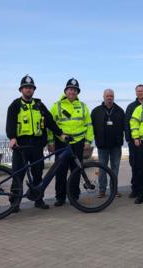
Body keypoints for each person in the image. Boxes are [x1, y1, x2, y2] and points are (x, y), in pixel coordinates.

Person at [6, 74, 64, 212]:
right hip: (20, 145)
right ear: (21, 90)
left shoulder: (39, 105)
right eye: (25, 88)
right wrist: (12, 137)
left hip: (37, 145)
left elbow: (50, 121)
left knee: (38, 174)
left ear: (34, 90)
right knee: (18, 175)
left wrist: (60, 133)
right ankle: (15, 203)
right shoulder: (15, 105)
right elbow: (10, 123)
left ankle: (38, 199)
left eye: (30, 88)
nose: (28, 90)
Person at [47, 78, 94, 207]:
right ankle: (60, 197)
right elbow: (50, 125)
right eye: (70, 89)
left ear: (77, 92)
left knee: (76, 170)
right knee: (60, 171)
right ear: (66, 91)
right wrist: (50, 142)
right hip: (62, 143)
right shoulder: (57, 106)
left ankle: (74, 196)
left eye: (75, 90)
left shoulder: (83, 106)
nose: (72, 92)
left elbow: (89, 125)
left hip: (78, 142)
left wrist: (88, 141)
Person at [91, 89, 125, 198]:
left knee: (115, 169)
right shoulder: (96, 111)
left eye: (111, 96)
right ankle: (102, 190)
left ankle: (114, 190)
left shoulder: (120, 111)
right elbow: (91, 128)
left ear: (114, 97)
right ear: (103, 96)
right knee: (102, 169)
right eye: (107, 96)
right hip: (102, 145)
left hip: (116, 145)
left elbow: (125, 127)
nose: (109, 98)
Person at [124, 84, 143, 198]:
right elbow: (127, 123)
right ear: (136, 93)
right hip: (134, 141)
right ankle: (135, 189)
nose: (140, 93)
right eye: (138, 91)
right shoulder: (131, 106)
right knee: (135, 165)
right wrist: (129, 139)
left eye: (141, 91)